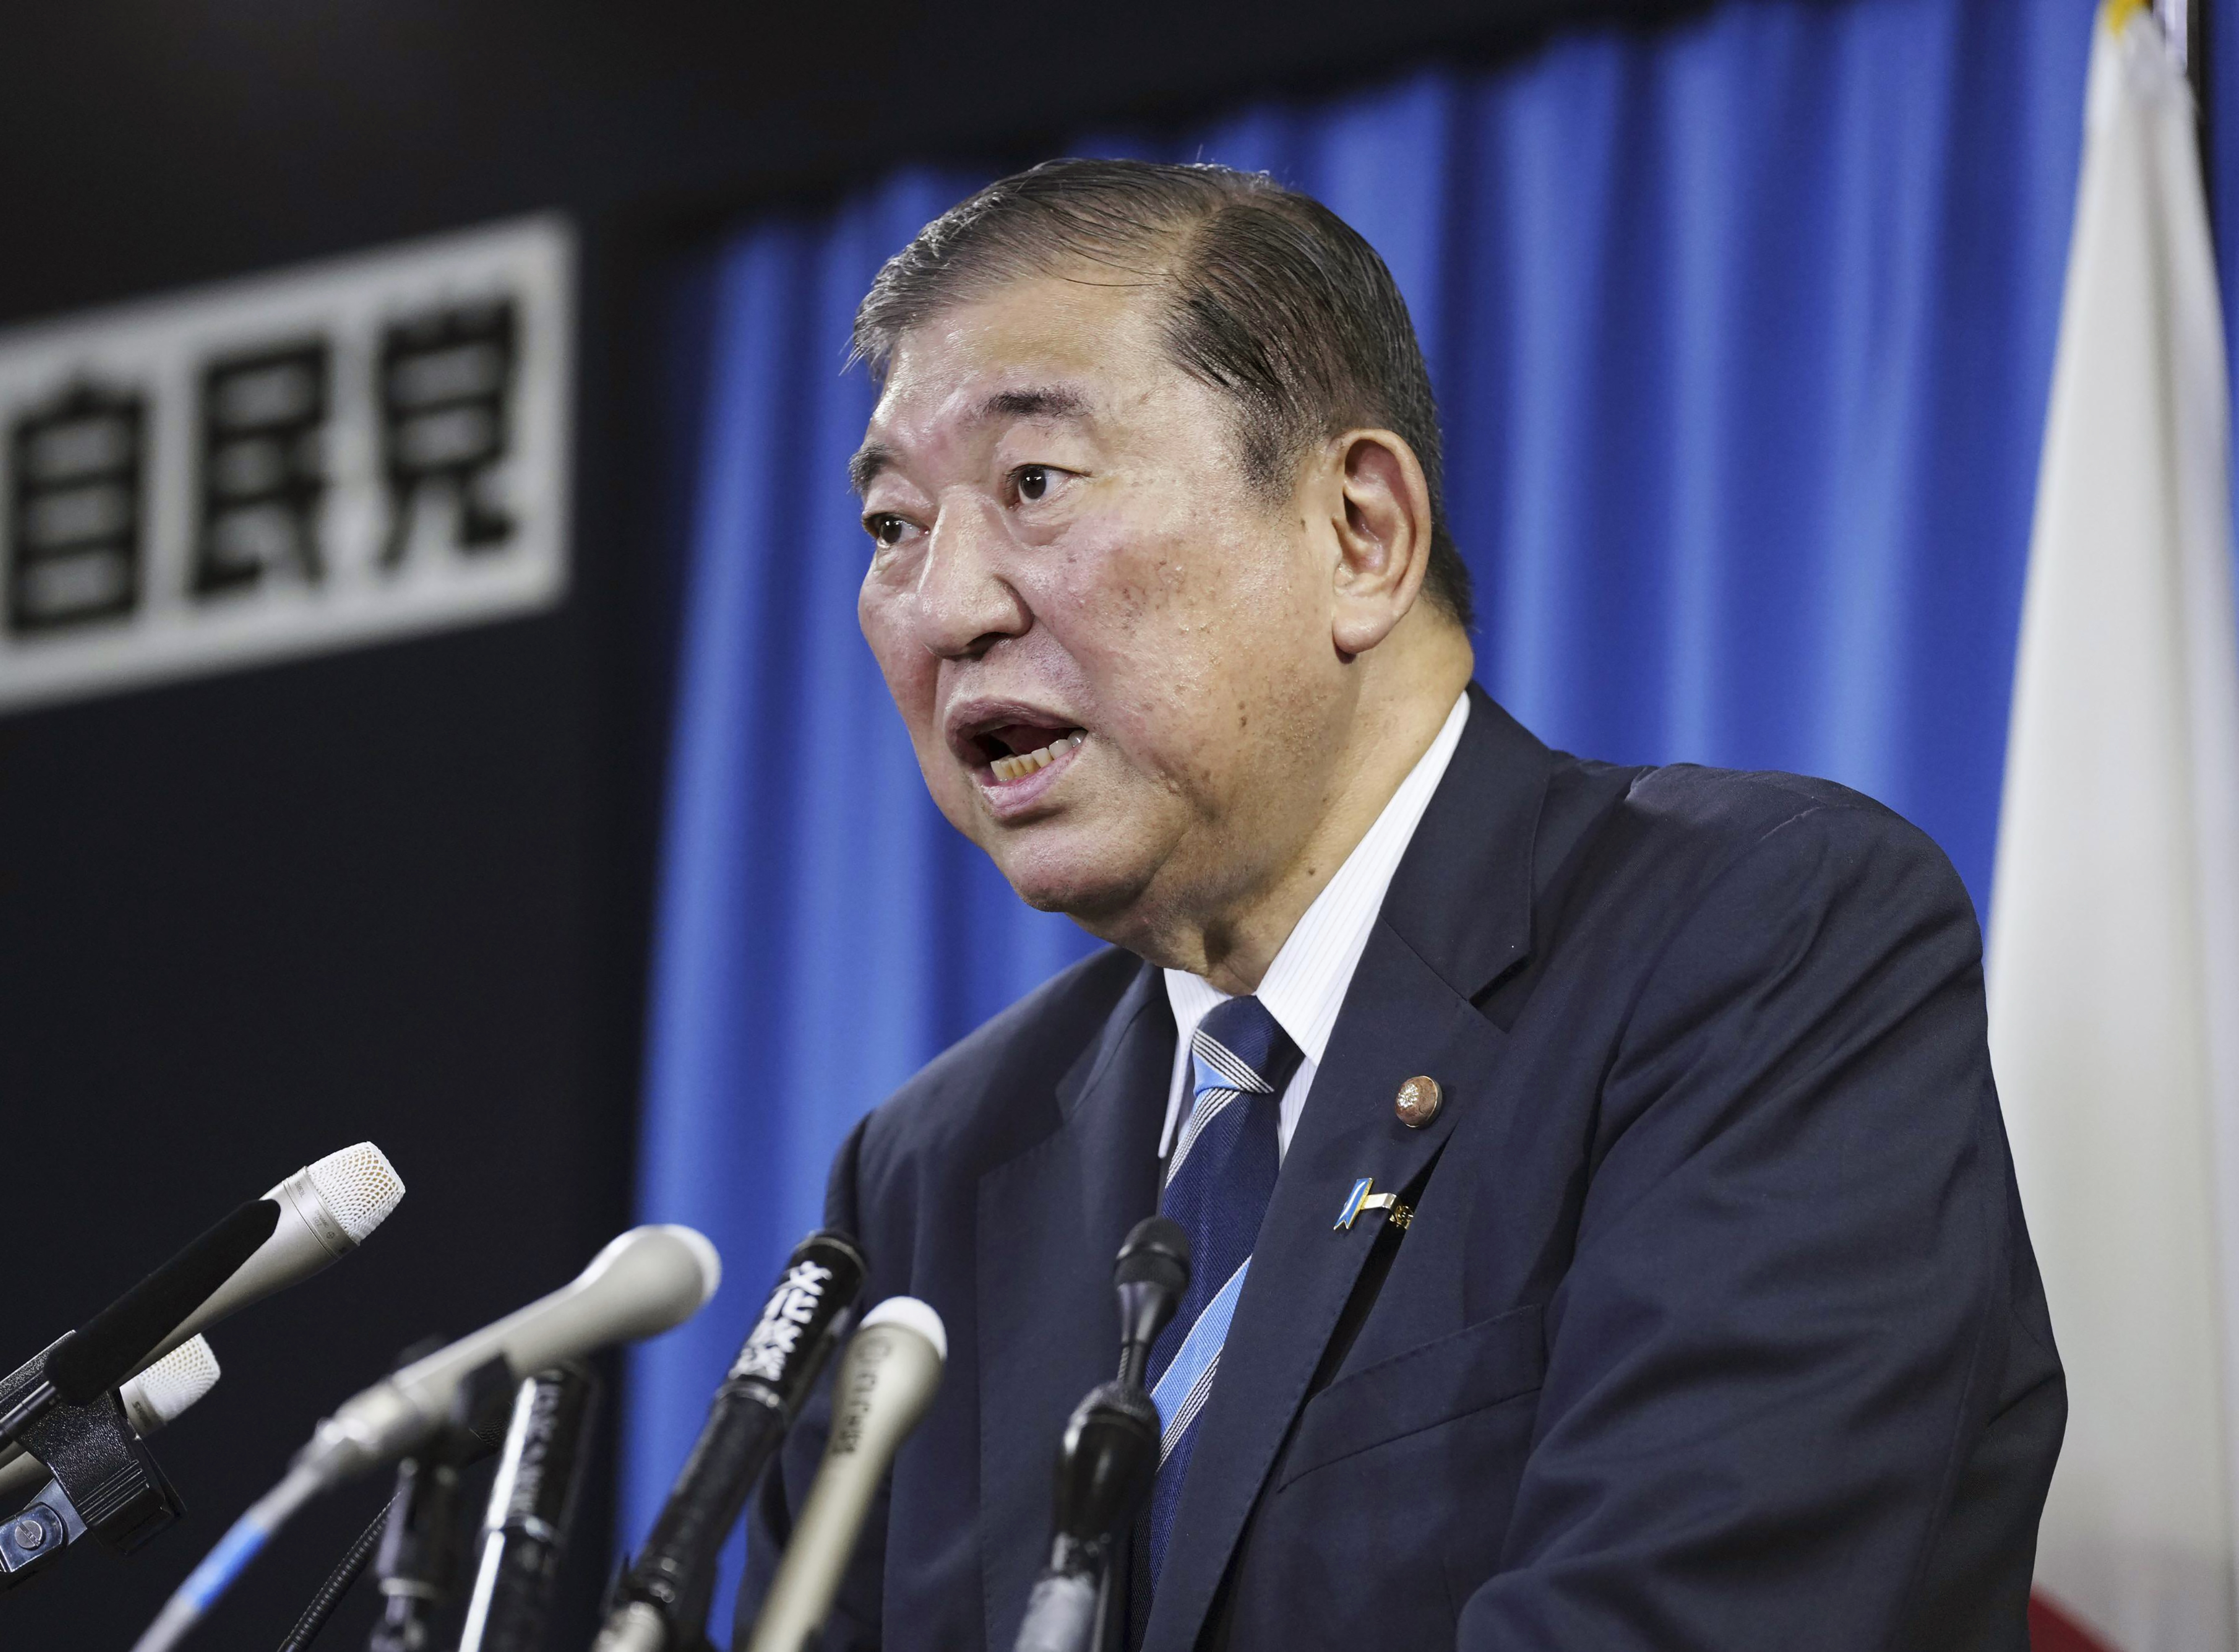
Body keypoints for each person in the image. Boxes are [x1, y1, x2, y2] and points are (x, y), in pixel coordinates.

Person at [734, 158, 2063, 1652]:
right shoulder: (929, 1169)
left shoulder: (1757, 940)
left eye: (1034, 484)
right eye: (892, 526)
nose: (946, 605)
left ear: (1360, 531)